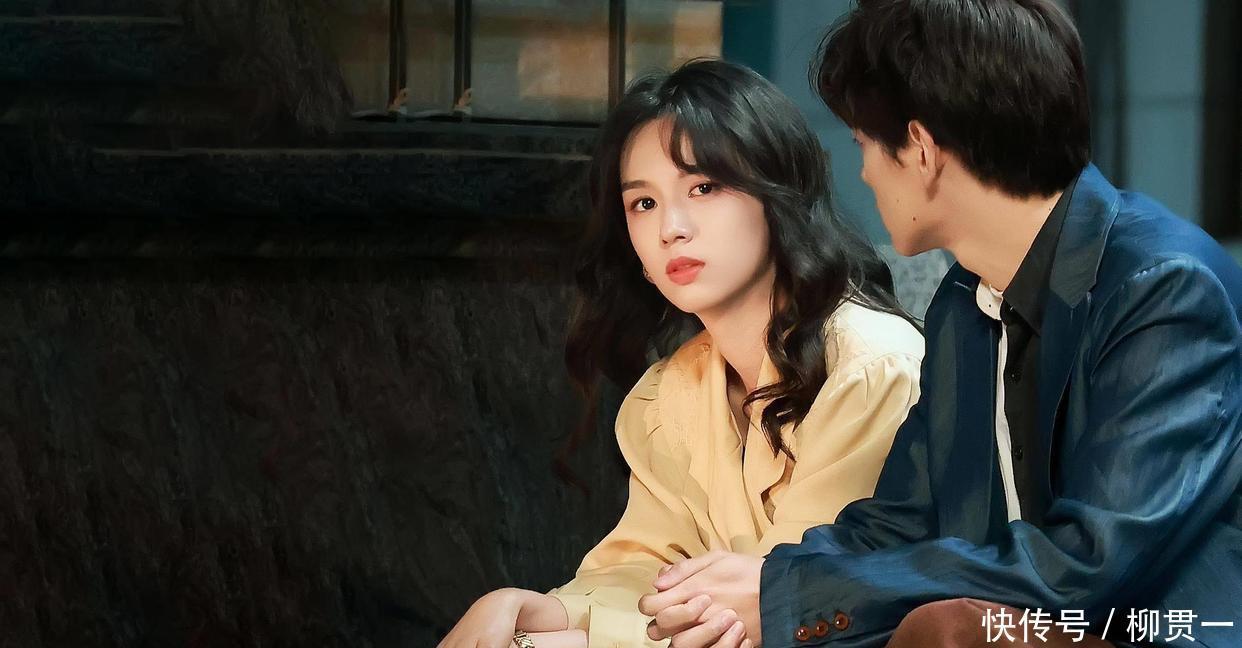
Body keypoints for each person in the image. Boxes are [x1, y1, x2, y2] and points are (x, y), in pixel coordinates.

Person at [640, 2, 1242, 647]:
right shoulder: (964, 301)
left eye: (863, 145)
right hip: (1022, 631)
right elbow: (899, 524)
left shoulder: (1163, 288)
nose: (863, 173)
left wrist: (797, 597)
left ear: (921, 150)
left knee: (946, 630)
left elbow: (1087, 565)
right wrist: (767, 583)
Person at [436, 59, 925, 648]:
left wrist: (572, 636)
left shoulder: (870, 366)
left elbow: (786, 604)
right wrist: (527, 609)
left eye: (704, 188)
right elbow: (640, 570)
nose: (671, 227)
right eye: (643, 204)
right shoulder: (669, 395)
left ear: (778, 194)